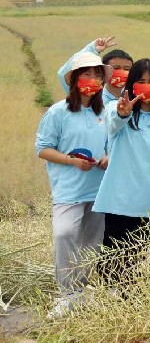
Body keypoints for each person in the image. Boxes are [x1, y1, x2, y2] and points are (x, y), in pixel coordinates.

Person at [36, 52, 109, 315]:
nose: (92, 79)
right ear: (75, 79)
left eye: (97, 75)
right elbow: (43, 148)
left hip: (100, 189)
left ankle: (83, 291)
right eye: (86, 74)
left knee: (92, 241)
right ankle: (66, 293)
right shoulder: (59, 112)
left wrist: (107, 158)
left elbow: (114, 145)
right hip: (69, 189)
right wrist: (71, 161)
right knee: (64, 233)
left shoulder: (106, 112)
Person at [94, 59, 150, 280]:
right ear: (131, 85)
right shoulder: (118, 109)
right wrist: (123, 113)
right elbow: (114, 122)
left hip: (148, 206)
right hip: (118, 202)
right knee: (111, 264)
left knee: (139, 265)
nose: (146, 86)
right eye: (140, 81)